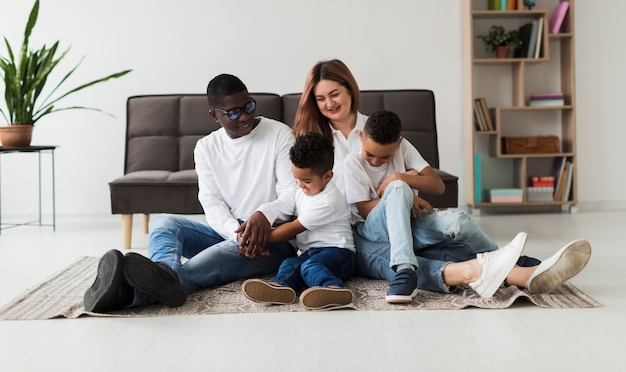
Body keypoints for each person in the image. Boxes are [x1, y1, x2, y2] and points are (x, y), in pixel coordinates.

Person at [292, 58, 591, 298]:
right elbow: (319, 196)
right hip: (357, 232)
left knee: (454, 228)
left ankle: (518, 270)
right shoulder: (316, 143)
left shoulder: (382, 131)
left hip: (401, 221)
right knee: (420, 249)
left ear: (350, 90)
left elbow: (431, 182)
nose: (329, 103)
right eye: (320, 99)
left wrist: (403, 187)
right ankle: (519, 269)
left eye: (334, 94)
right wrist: (401, 191)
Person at [84, 73, 298, 312]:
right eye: (234, 113)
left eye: (248, 106)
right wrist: (235, 234)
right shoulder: (206, 147)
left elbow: (293, 193)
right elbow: (211, 202)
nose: (245, 116)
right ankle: (163, 271)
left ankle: (129, 295)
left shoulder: (280, 134)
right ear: (214, 115)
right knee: (162, 221)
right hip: (230, 232)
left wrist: (263, 213)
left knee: (195, 270)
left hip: (271, 240)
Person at [344, 109, 527, 301]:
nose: (375, 161)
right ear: (361, 136)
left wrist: (400, 176)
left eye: (385, 158)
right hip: (372, 230)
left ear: (398, 143)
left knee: (459, 222)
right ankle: (405, 269)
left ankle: (509, 260)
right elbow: (364, 211)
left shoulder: (404, 147)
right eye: (370, 154)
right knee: (398, 188)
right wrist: (401, 193)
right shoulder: (352, 163)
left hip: (409, 222)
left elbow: (438, 186)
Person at [241, 132, 355, 310]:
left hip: (339, 253)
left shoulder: (328, 200)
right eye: (296, 179)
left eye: (306, 180)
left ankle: (334, 289)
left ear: (328, 177)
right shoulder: (303, 190)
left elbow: (293, 228)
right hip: (311, 251)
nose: (300, 185)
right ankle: (282, 288)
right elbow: (285, 205)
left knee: (311, 267)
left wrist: (258, 238)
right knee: (290, 264)